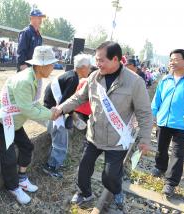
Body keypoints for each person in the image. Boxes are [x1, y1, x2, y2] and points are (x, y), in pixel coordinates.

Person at [53, 41, 152, 210]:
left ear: (115, 59)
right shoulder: (94, 77)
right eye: (96, 60)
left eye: (101, 60)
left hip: (117, 139)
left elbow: (144, 113)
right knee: (83, 169)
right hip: (94, 135)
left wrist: (145, 138)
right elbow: (78, 98)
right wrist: (61, 108)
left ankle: (117, 190)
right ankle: (85, 193)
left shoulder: (135, 82)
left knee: (110, 176)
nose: (97, 64)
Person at [0, 46, 58, 205]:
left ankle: (22, 178)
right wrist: (50, 114)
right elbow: (28, 110)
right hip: (0, 124)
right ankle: (13, 187)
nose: (53, 67)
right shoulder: (25, 80)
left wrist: (48, 111)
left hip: (14, 123)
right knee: (9, 156)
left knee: (27, 146)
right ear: (41, 66)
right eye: (51, 64)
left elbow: (34, 104)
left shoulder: (36, 77)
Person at [42, 54, 92, 178]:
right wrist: (73, 116)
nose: (90, 70)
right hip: (53, 113)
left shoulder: (72, 75)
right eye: (89, 67)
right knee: (60, 141)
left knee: (60, 140)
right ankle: (51, 166)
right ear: (83, 67)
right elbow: (64, 103)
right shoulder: (73, 79)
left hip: (52, 109)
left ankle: (55, 162)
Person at [151, 49, 184, 197]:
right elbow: (157, 100)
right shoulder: (165, 79)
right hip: (163, 121)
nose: (172, 62)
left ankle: (170, 183)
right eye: (171, 59)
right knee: (161, 147)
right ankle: (160, 166)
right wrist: (152, 115)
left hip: (182, 124)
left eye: (176, 59)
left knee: (177, 153)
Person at [16, 8, 45, 72]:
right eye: (39, 17)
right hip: (26, 68)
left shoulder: (39, 36)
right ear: (32, 18)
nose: (41, 20)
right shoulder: (26, 32)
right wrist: (22, 64)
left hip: (35, 68)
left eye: (41, 18)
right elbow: (21, 50)